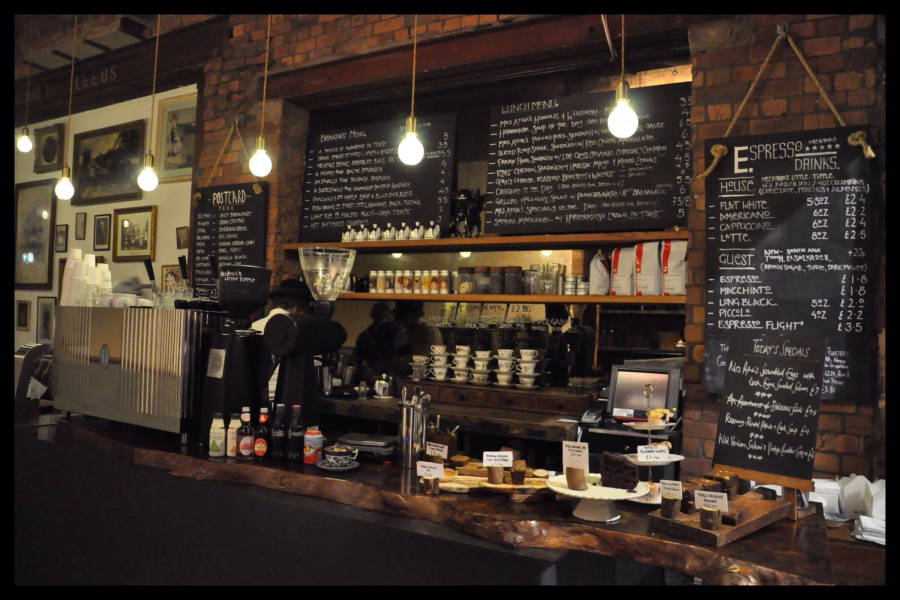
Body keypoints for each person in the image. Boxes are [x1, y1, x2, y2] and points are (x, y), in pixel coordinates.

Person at [251, 278, 314, 406]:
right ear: (299, 307)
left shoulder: (255, 325)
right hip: (285, 400)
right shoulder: (298, 332)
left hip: (255, 399)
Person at [391, 300, 443, 374]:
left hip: (427, 377)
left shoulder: (430, 332)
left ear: (417, 314)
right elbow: (398, 364)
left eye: (409, 315)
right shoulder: (401, 335)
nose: (405, 320)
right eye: (402, 316)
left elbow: (424, 360)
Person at [351, 301, 398, 382]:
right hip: (372, 378)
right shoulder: (364, 336)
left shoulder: (395, 332)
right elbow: (355, 361)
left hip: (389, 376)